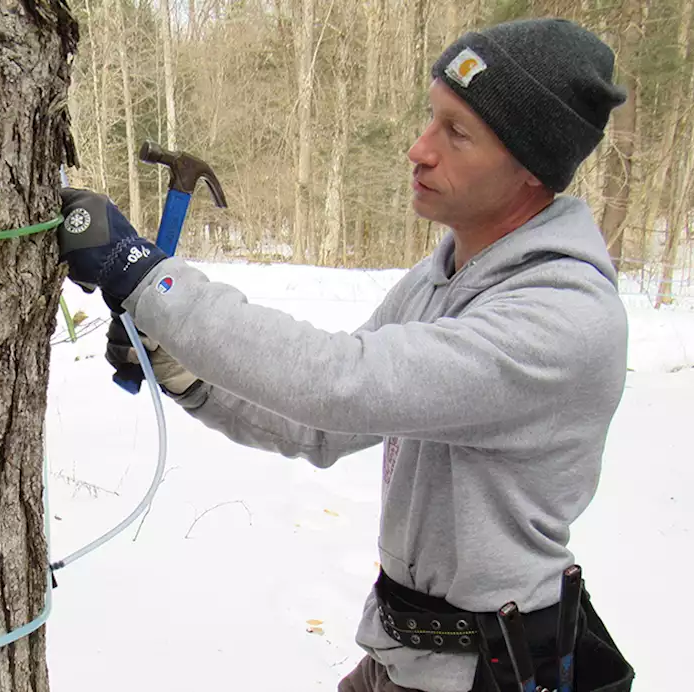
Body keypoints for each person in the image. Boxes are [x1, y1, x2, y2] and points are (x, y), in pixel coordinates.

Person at [56, 16, 637, 692]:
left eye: (457, 133)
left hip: (491, 674)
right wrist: (191, 378)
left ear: (532, 166)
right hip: (408, 657)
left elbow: (344, 383)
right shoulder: (446, 275)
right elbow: (325, 426)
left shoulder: (561, 319)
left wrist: (144, 274)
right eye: (431, 119)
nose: (419, 150)